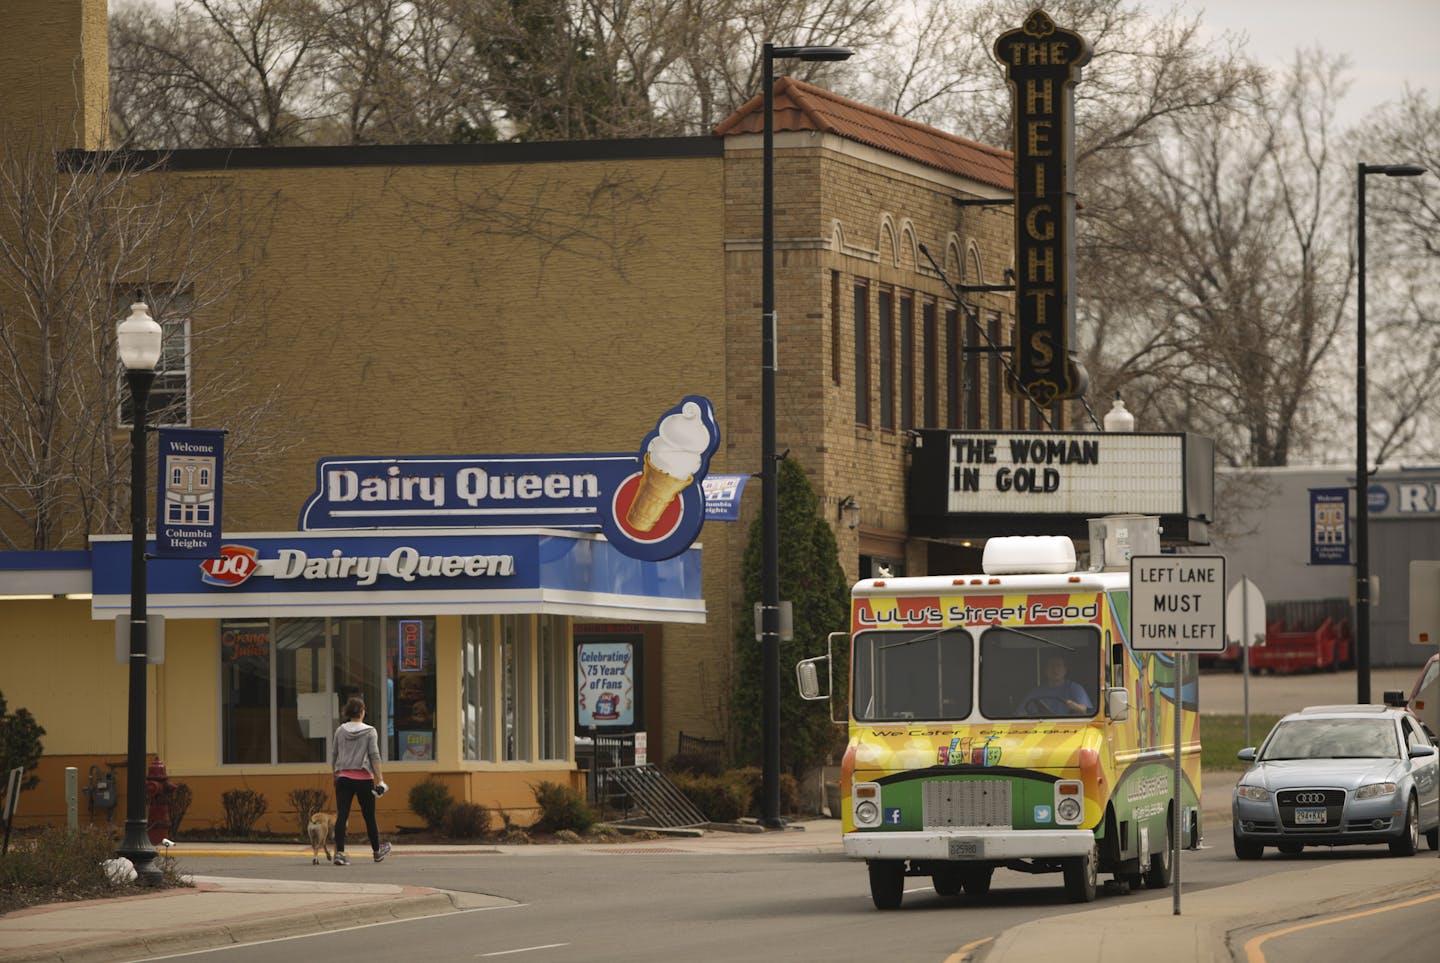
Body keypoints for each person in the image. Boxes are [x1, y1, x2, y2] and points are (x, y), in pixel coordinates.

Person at [330, 695, 392, 865]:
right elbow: (374, 756)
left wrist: (335, 774)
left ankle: (339, 853)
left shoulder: (340, 730)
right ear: (363, 712)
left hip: (343, 778)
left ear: (348, 712)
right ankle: (376, 852)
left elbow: (334, 754)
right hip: (364, 779)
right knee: (369, 817)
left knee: (342, 815)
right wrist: (380, 780)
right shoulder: (370, 731)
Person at [1021, 653, 1094, 716]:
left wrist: (1074, 706)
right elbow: (1020, 713)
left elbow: (1084, 711)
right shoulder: (1036, 692)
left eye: (1059, 666)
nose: (1055, 670)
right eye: (1051, 666)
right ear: (1045, 670)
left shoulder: (1075, 688)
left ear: (1065, 670)